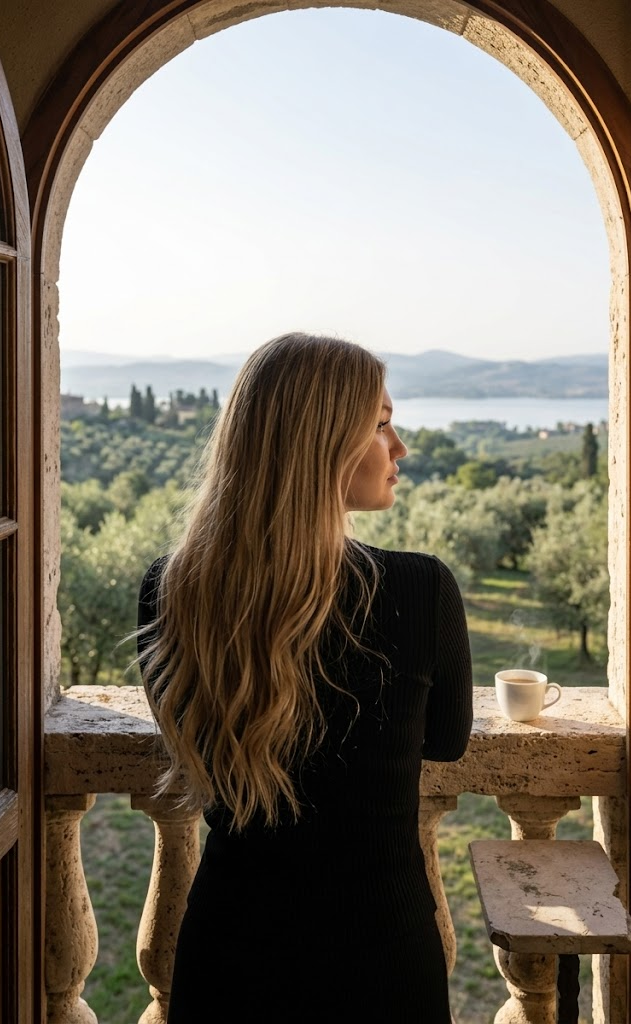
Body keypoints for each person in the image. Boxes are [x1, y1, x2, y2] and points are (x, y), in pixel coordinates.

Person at [137, 332, 473, 1023]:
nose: (399, 447)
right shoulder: (419, 590)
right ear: (321, 444)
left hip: (227, 955)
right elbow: (445, 741)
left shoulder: (169, 593)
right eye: (380, 425)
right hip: (380, 958)